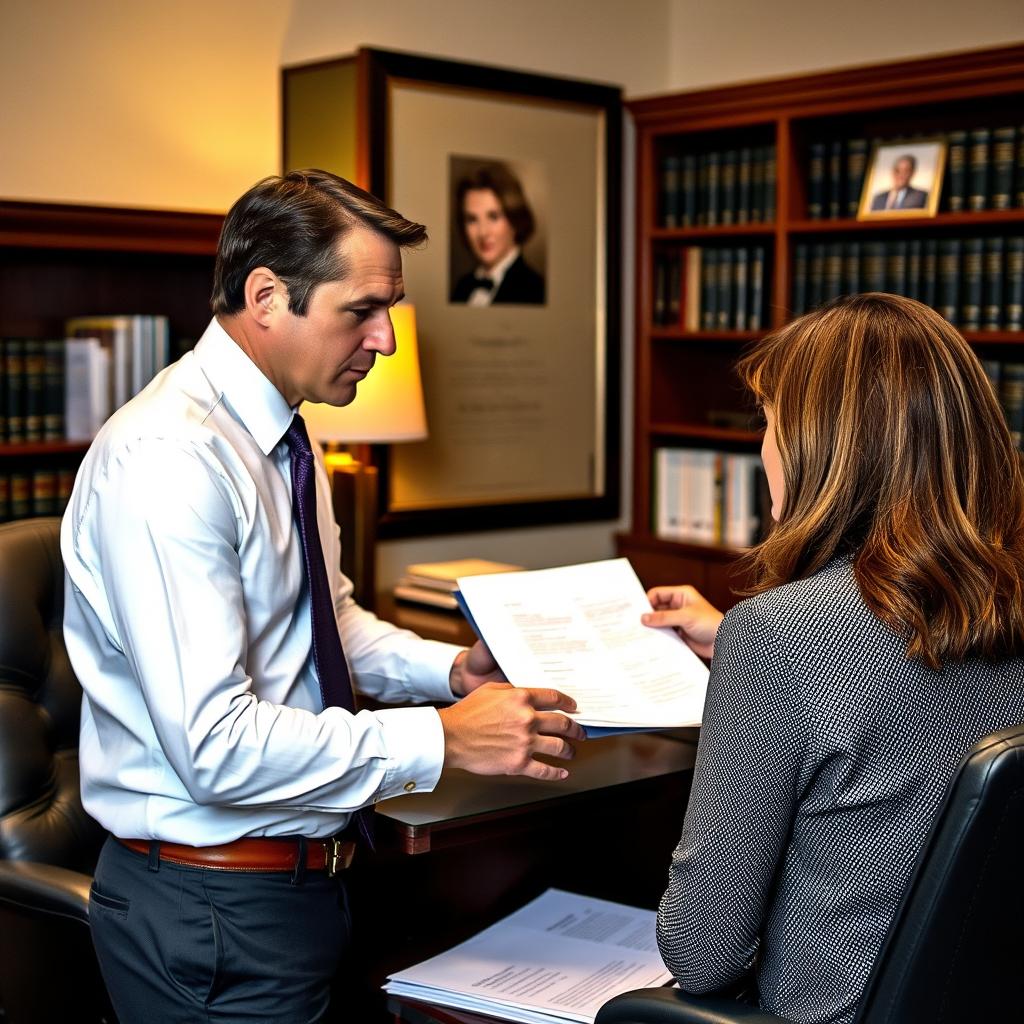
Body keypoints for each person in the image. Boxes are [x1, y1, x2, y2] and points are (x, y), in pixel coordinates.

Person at [61, 169, 585, 1023]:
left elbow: (324, 624)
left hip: (308, 885)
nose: (384, 339)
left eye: (392, 311)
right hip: (211, 908)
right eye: (362, 310)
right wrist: (443, 739)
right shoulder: (167, 459)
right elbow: (214, 745)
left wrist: (452, 670)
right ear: (267, 296)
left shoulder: (284, 439)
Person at [641, 293, 1024, 1024]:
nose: (763, 451)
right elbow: (908, 677)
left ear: (823, 448)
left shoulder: (780, 637)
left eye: (770, 425)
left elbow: (700, 951)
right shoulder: (1005, 603)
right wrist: (740, 646)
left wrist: (759, 652)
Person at [450, 162, 546, 305]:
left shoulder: (537, 290)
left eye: (493, 217)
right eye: (472, 219)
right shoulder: (462, 287)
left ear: (515, 219)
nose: (483, 232)